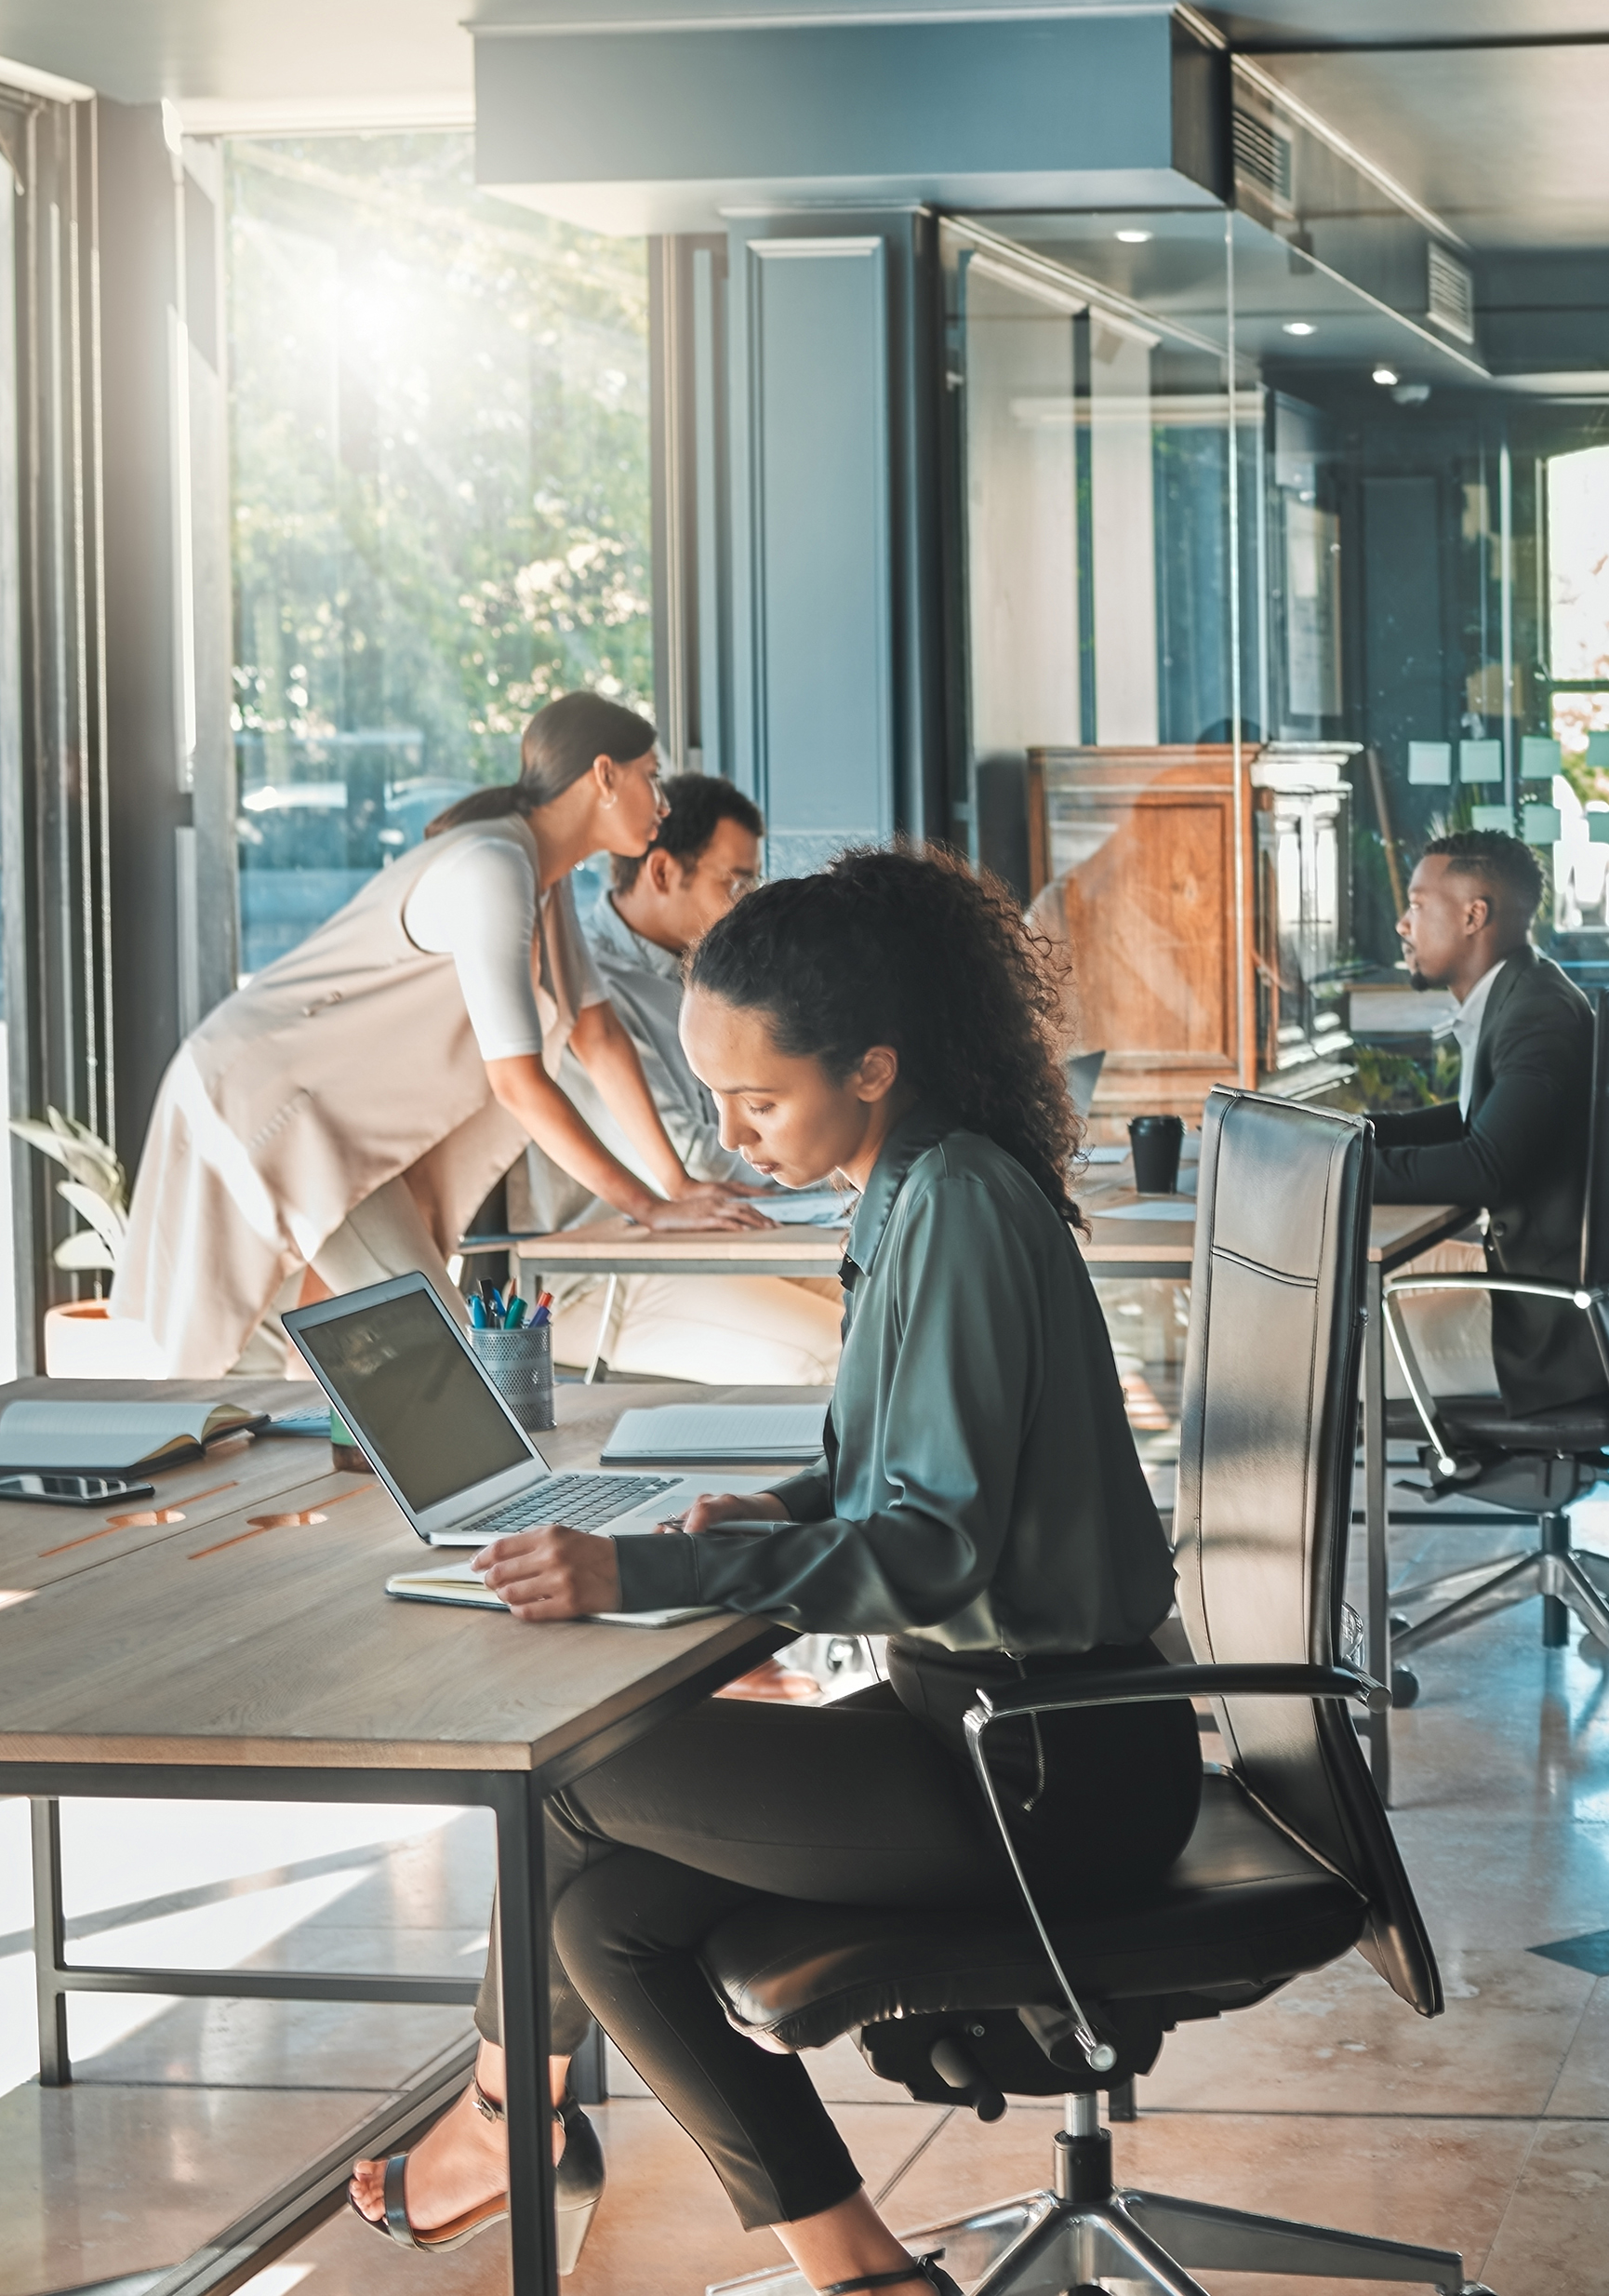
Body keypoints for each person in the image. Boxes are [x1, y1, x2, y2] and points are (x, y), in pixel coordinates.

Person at [348, 848, 1189, 2296]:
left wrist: (645, 1576)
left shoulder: (960, 1207)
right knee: (604, 1917)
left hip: (1050, 1766)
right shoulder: (920, 1181)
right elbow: (911, 1471)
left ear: (872, 1066)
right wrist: (778, 1505)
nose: (731, 1138)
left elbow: (934, 1544)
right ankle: (856, 2266)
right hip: (988, 1730)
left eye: (758, 1100)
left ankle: (502, 2127)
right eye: (716, 1099)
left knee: (553, 1778)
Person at [113, 691, 770, 1376]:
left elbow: (597, 1034)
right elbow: (517, 1083)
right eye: (650, 776)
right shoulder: (492, 866)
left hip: (331, 1126)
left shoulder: (537, 876)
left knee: (342, 1363)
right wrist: (645, 1205)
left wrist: (673, 1187)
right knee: (402, 1362)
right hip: (270, 1106)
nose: (661, 803)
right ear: (603, 776)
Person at [534, 771, 846, 1384]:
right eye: (734, 883)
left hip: (726, 1235)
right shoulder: (596, 992)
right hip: (617, 1269)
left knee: (901, 1313)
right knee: (833, 1357)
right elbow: (692, 1162)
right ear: (660, 873)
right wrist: (836, 1162)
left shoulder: (710, 977)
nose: (747, 901)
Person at [1367, 826, 1603, 1412]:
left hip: (1547, 1332)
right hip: (1539, 1291)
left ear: (1474, 915)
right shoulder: (1523, 992)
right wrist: (1344, 1137)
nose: (1403, 924)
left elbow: (1484, 1166)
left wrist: (1329, 1170)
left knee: (1313, 1342)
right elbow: (1479, 1121)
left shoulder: (1538, 1016)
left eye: (1419, 906)